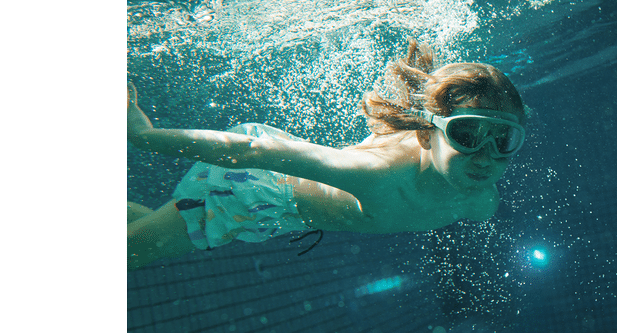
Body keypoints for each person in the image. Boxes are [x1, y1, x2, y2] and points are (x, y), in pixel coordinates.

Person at [127, 39, 527, 270]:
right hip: (252, 191)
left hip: (278, 214)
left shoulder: (480, 201)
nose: (485, 156)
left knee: (148, 229)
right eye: (467, 135)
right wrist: (145, 137)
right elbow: (252, 151)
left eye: (504, 140)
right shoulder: (379, 174)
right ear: (426, 134)